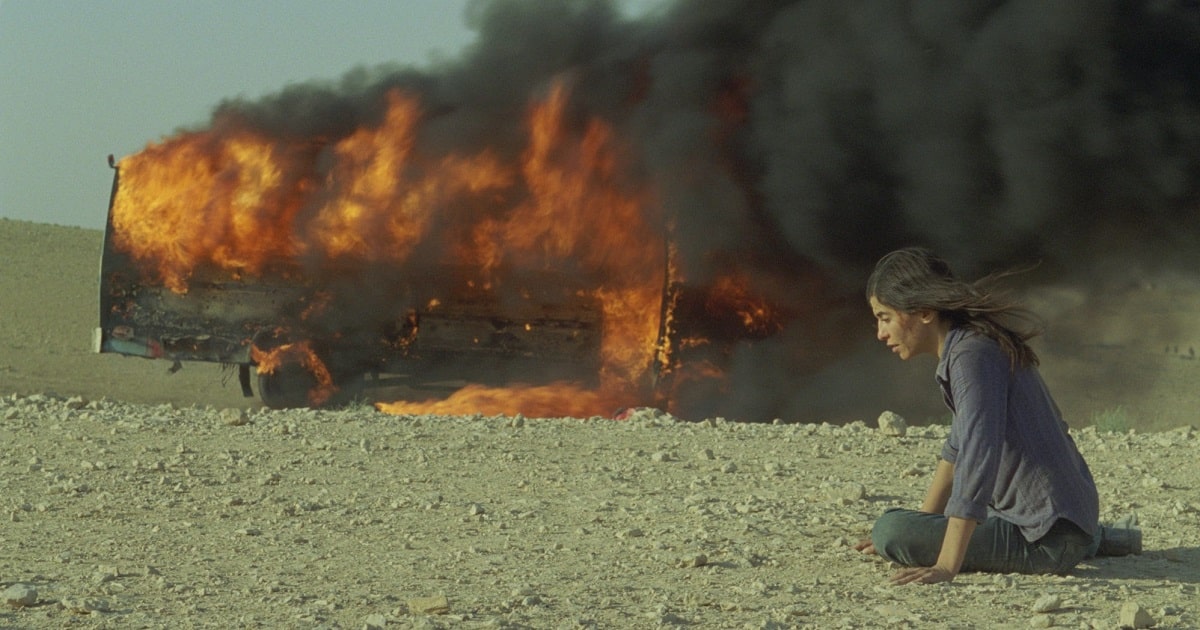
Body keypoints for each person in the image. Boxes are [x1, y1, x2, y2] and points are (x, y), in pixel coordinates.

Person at [855, 247, 1140, 585]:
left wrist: (943, 564)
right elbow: (956, 451)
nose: (880, 332)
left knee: (889, 529)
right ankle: (1098, 538)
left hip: (1047, 540)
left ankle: (1084, 542)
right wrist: (922, 528)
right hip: (1067, 520)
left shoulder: (970, 357)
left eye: (885, 317)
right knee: (905, 528)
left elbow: (977, 458)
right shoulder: (971, 344)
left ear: (925, 312)